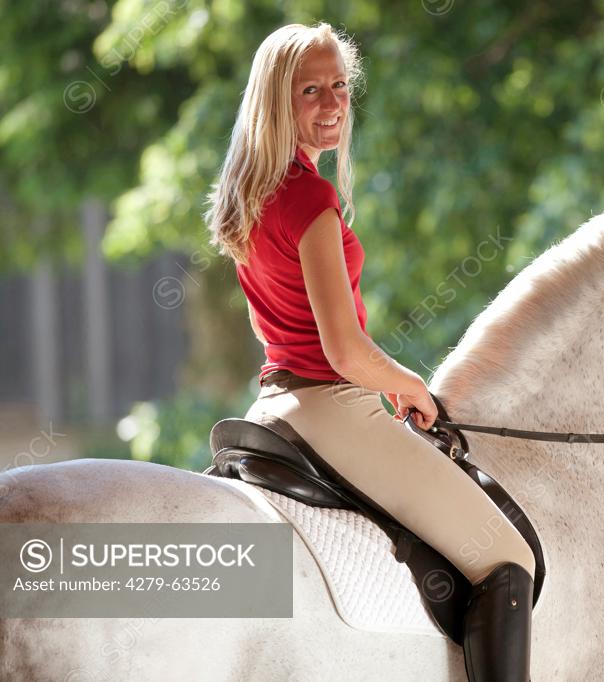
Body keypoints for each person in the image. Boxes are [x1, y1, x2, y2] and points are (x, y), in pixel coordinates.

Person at [202, 22, 536, 681]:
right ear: (277, 100)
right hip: (330, 405)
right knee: (505, 559)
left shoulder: (252, 196)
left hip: (273, 406)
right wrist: (408, 384)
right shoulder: (310, 198)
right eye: (309, 91)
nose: (330, 104)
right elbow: (346, 352)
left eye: (339, 88)